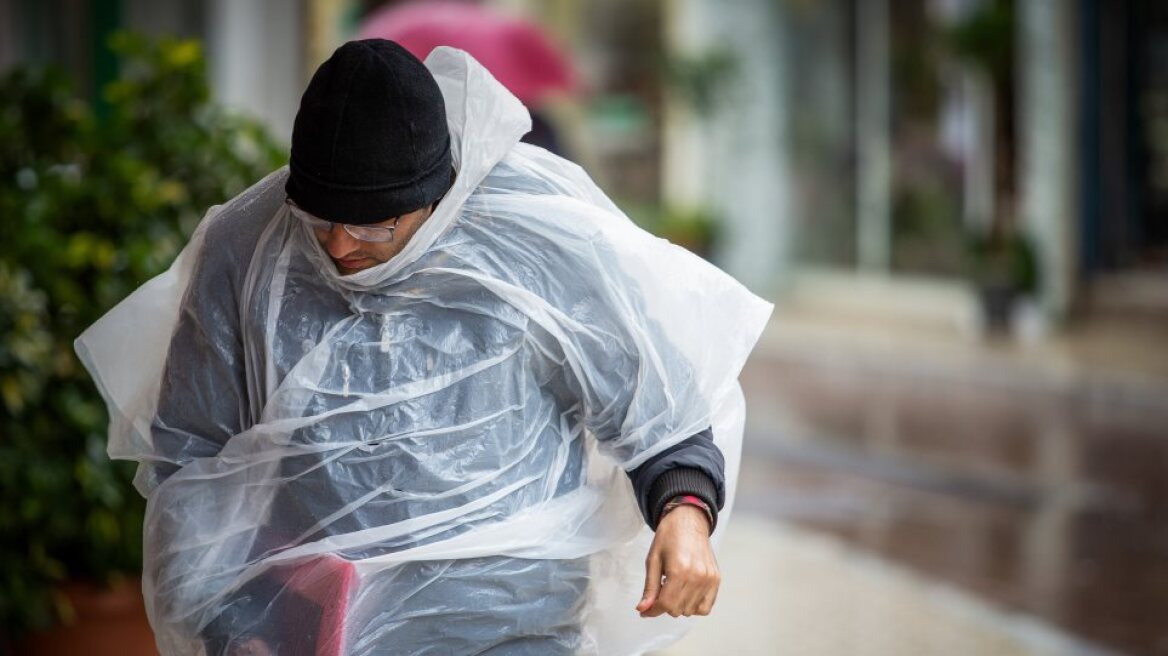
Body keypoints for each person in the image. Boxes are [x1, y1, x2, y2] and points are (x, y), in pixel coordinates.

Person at [76, 40, 770, 655]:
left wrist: (684, 513)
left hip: (513, 631)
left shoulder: (537, 242)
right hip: (315, 633)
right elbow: (190, 458)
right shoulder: (250, 250)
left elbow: (658, 411)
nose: (342, 246)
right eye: (318, 220)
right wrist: (232, 622)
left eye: (377, 226)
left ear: (437, 197)